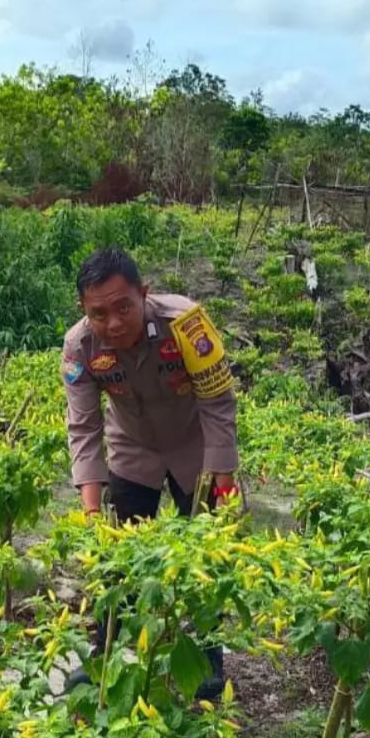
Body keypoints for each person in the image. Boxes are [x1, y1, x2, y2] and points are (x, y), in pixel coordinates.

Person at [60, 247, 240, 699]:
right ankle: (102, 658)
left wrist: (223, 480)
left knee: (204, 558)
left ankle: (206, 664)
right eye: (99, 313)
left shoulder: (187, 324)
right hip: (132, 448)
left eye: (123, 306)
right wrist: (90, 509)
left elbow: (217, 404)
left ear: (144, 294)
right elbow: (84, 426)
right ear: (85, 311)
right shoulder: (79, 346)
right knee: (115, 560)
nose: (114, 323)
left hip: (194, 447)